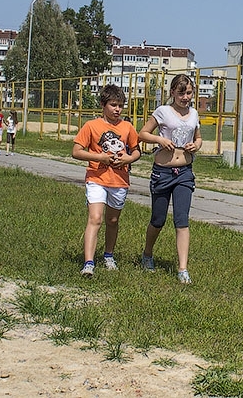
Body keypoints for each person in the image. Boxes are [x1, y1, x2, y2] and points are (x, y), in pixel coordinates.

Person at [137, 74, 202, 284]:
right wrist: (160, 139)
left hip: (184, 172)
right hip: (163, 172)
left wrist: (197, 145)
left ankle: (183, 269)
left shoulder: (194, 114)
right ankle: (147, 254)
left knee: (181, 220)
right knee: (158, 219)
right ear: (172, 92)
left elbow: (198, 137)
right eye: (181, 92)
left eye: (189, 93)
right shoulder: (163, 111)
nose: (185, 97)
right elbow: (143, 133)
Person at [72, 84, 141, 276]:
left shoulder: (127, 127)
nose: (117, 109)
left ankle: (109, 255)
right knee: (95, 218)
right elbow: (76, 152)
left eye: (120, 105)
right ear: (103, 105)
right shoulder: (91, 126)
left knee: (112, 220)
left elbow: (136, 150)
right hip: (96, 178)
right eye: (113, 105)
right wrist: (100, 158)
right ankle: (88, 263)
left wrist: (128, 158)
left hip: (119, 180)